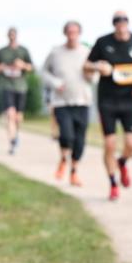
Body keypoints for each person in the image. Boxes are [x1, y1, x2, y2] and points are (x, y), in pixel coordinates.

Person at [84, 10, 132, 201]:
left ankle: (123, 162)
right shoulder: (103, 42)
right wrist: (98, 67)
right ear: (113, 24)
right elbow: (86, 65)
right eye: (116, 20)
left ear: (128, 22)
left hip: (130, 99)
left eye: (123, 20)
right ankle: (113, 183)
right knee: (110, 144)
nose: (120, 23)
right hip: (108, 100)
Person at [42, 21, 93, 187]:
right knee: (66, 135)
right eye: (69, 32)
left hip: (82, 101)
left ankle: (74, 171)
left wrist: (91, 76)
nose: (72, 35)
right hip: (61, 102)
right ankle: (64, 159)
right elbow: (44, 71)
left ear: (79, 34)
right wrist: (55, 83)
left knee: (80, 139)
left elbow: (94, 74)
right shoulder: (56, 52)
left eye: (75, 32)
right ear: (65, 33)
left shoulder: (87, 52)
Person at [0, 27, 34, 155]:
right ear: (7, 36)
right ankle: (12, 141)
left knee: (18, 117)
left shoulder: (23, 50)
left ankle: (16, 134)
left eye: (14, 35)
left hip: (20, 86)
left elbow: (31, 67)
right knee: (10, 114)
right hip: (7, 85)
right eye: (10, 34)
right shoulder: (1, 51)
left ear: (16, 36)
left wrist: (22, 65)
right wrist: (1, 67)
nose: (12, 36)